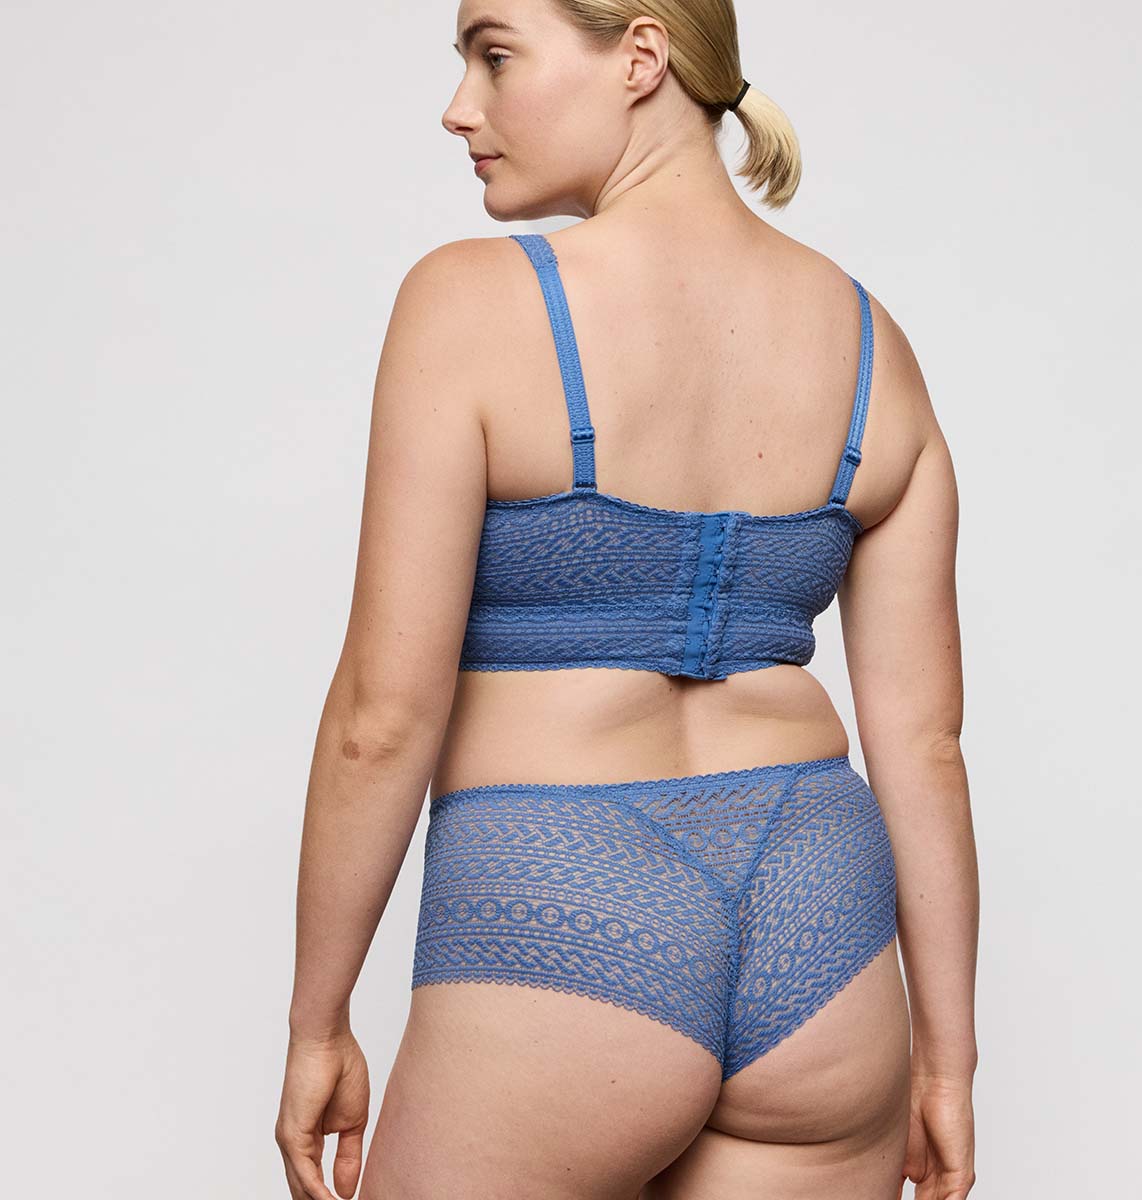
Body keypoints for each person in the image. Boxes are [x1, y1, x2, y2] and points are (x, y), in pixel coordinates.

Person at [275, 3, 979, 1198]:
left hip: (567, 896)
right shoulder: (874, 347)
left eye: (496, 56)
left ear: (641, 57)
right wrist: (947, 1065)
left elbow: (380, 718)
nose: (460, 108)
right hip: (824, 925)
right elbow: (925, 745)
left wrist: (316, 1020)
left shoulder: (469, 303)